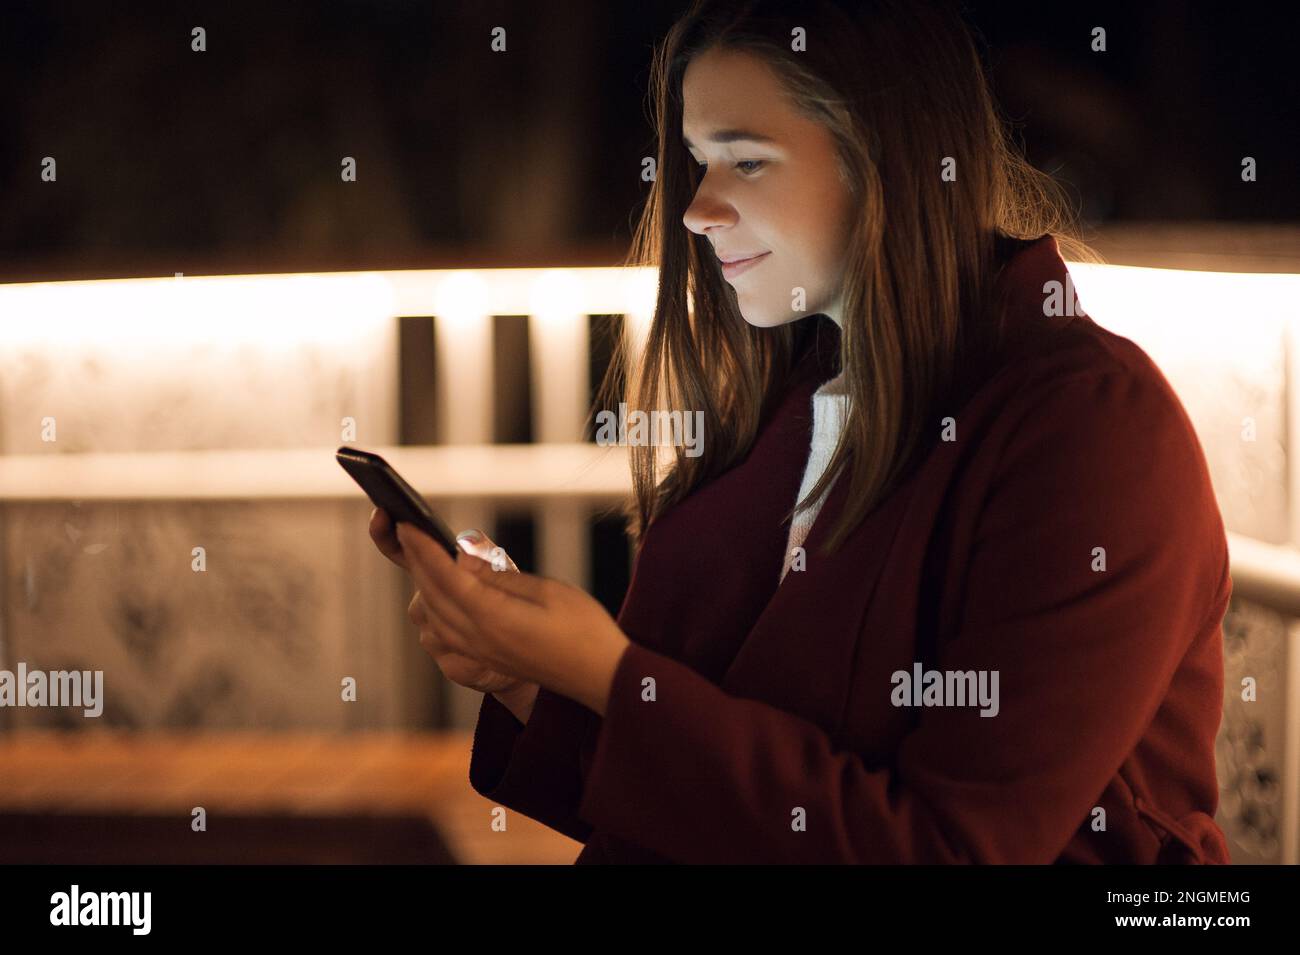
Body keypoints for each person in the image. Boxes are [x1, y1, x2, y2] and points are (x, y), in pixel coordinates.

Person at [369, 0, 1231, 864]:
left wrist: (605, 674)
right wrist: (528, 670)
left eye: (747, 161)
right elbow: (714, 793)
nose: (698, 210)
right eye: (701, 162)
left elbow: (950, 847)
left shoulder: (1093, 433)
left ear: (887, 161)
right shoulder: (798, 394)